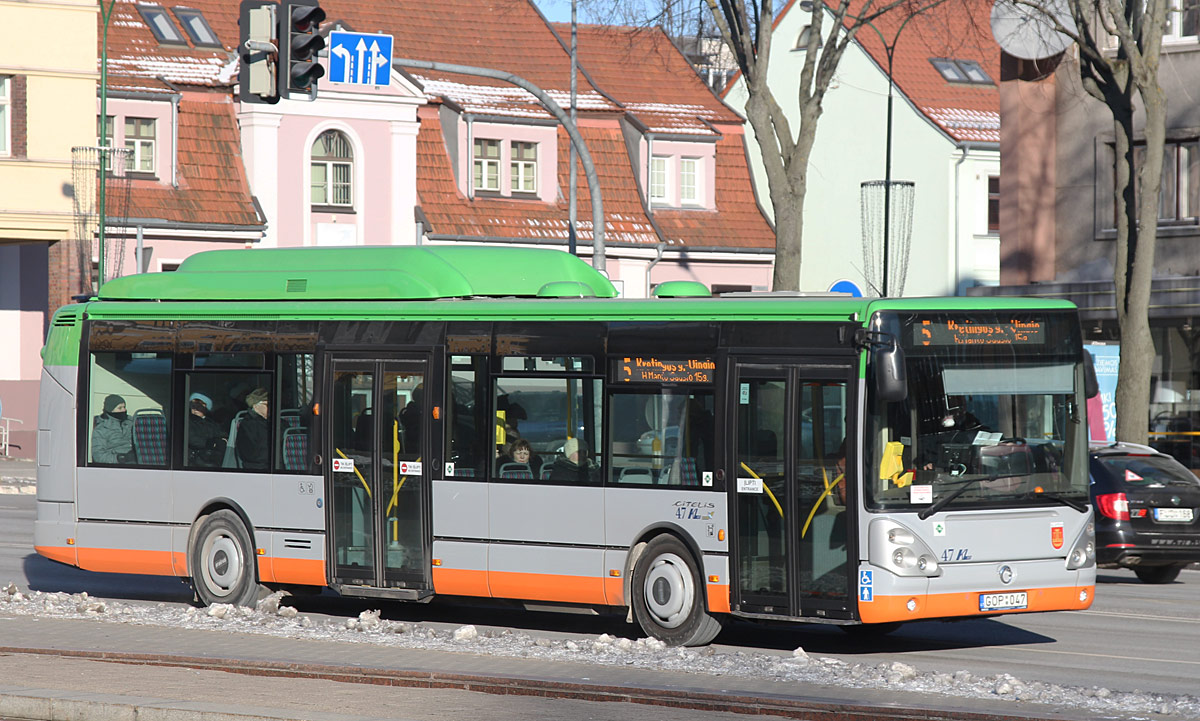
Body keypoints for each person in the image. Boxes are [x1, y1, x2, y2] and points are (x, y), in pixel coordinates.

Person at [186, 392, 225, 467]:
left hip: (212, 458)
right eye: (193, 406)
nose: (195, 409)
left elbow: (221, 435)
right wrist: (211, 443)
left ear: (206, 408)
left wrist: (220, 442)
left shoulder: (212, 423)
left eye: (199, 406)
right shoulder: (188, 421)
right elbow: (192, 439)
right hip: (194, 459)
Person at [92, 394, 133, 464]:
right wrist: (120, 458)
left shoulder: (130, 423)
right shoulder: (102, 429)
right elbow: (99, 456)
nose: (124, 410)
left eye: (124, 407)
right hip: (116, 464)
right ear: (111, 410)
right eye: (120, 408)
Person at [236, 387, 270, 470]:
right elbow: (249, 454)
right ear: (255, 405)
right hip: (258, 468)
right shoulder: (248, 425)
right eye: (267, 404)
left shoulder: (279, 422)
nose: (271, 407)